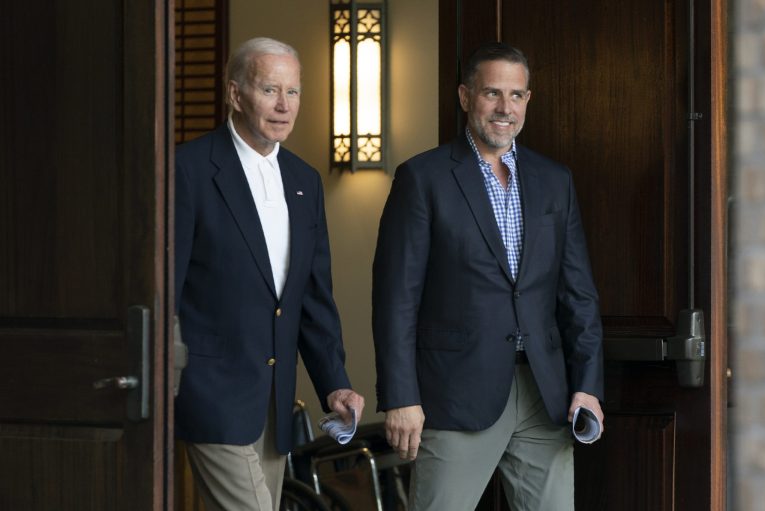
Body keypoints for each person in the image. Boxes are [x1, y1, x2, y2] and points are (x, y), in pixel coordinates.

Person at [372, 42, 604, 510]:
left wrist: (588, 385)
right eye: (492, 93)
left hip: (545, 393)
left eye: (516, 96)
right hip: (456, 392)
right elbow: (396, 298)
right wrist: (401, 397)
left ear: (528, 100)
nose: (505, 108)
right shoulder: (423, 178)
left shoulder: (554, 180)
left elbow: (577, 293)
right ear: (464, 96)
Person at [175, 37, 364, 511]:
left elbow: (313, 298)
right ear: (235, 94)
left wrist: (334, 383)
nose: (284, 106)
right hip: (211, 397)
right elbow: (165, 291)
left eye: (294, 92)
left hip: (275, 405)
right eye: (269, 90)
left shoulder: (304, 181)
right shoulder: (188, 170)